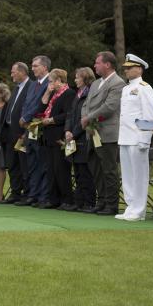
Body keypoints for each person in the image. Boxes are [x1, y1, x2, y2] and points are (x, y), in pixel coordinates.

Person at [81, 51, 125, 215]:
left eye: (97, 63)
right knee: (96, 168)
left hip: (107, 133)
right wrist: (84, 117)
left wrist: (88, 118)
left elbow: (109, 107)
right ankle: (102, 201)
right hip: (93, 133)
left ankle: (112, 204)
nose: (95, 65)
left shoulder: (118, 83)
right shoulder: (95, 83)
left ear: (107, 64)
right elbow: (86, 104)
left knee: (109, 170)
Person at [117, 54, 153, 222]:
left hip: (137, 138)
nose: (125, 70)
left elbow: (149, 115)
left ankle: (139, 210)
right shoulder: (126, 89)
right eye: (125, 68)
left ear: (139, 69)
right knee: (127, 175)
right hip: (125, 137)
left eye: (129, 68)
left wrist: (145, 139)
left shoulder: (144, 87)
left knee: (139, 176)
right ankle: (130, 207)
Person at [16, 55, 50, 207]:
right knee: (32, 163)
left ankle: (43, 196)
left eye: (36, 66)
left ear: (45, 67)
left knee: (42, 163)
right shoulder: (33, 84)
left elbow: (39, 105)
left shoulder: (49, 83)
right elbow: (27, 103)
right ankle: (33, 194)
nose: (33, 68)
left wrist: (27, 117)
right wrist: (23, 117)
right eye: (33, 65)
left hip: (40, 128)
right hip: (29, 128)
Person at [40, 69, 76, 209]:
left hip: (60, 136)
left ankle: (67, 199)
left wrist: (51, 120)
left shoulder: (69, 94)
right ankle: (53, 199)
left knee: (61, 169)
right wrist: (48, 92)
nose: (49, 84)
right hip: (49, 137)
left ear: (58, 80)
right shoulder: (53, 95)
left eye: (50, 81)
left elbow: (68, 114)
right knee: (51, 169)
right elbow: (41, 107)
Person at [0, 62, 32, 204]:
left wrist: (26, 131)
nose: (11, 74)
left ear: (22, 72)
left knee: (24, 164)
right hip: (10, 133)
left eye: (13, 72)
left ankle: (27, 193)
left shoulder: (31, 87)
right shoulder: (16, 88)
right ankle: (15, 192)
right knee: (12, 164)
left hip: (22, 133)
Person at [65, 67, 96, 212]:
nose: (75, 80)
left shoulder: (90, 94)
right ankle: (79, 201)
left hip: (83, 136)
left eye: (78, 77)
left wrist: (75, 132)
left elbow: (86, 117)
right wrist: (67, 130)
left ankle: (89, 202)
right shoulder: (78, 94)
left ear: (85, 78)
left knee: (85, 171)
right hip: (73, 136)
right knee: (77, 170)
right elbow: (71, 114)